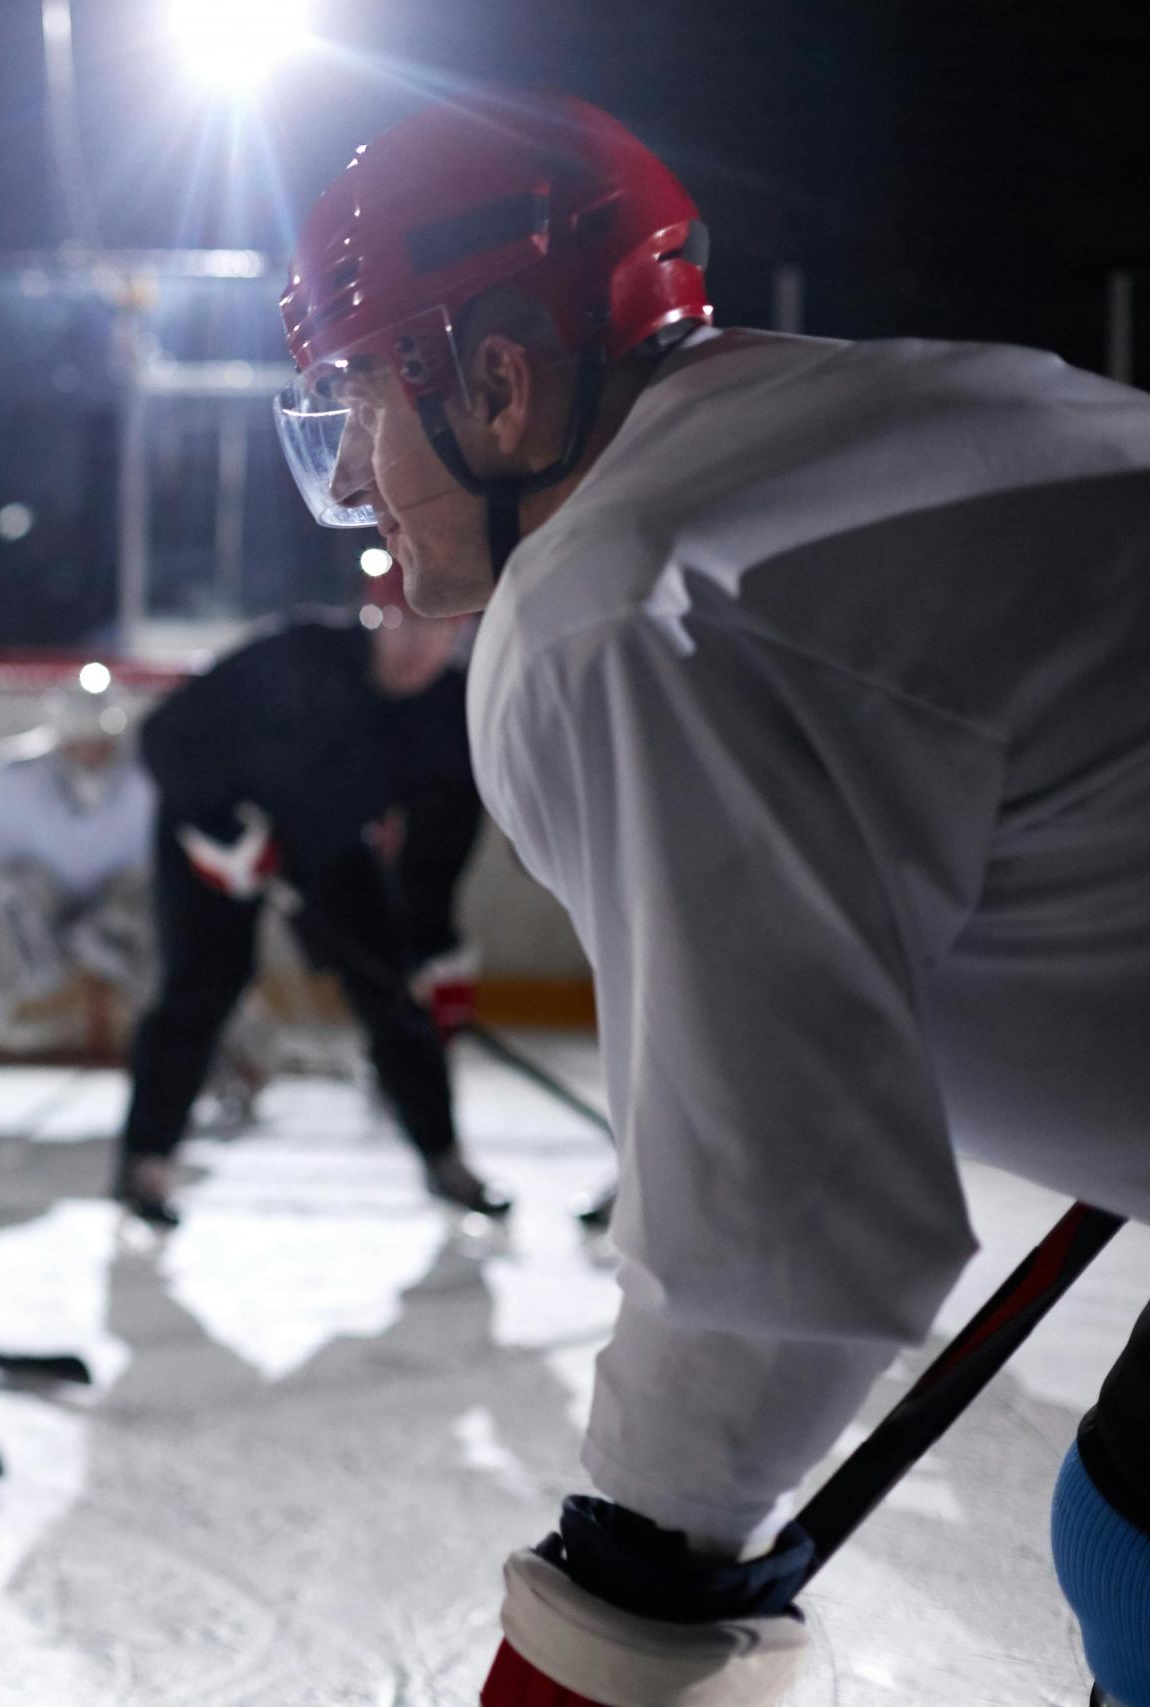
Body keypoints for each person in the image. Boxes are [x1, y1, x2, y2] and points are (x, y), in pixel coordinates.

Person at [275, 91, 1150, 1706]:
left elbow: (792, 1223)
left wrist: (626, 1600)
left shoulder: (614, 597)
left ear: (499, 378)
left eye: (356, 395)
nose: (348, 469)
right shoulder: (891, 410)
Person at [113, 566, 504, 1230]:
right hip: (218, 837)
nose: (415, 644)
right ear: (366, 617)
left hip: (328, 848)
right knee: (202, 987)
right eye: (396, 623)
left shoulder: (448, 715)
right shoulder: (293, 655)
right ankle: (144, 1160)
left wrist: (432, 945)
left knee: (390, 990)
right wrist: (222, 832)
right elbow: (169, 735)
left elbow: (437, 846)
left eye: (438, 628)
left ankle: (443, 1154)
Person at [0, 683, 265, 1099]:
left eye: (101, 743)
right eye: (80, 743)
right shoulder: (1, 774)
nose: (91, 754)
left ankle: (236, 1063)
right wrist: (20, 919)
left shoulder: (159, 774)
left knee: (178, 951)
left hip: (128, 907)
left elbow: (189, 855)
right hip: (30, 905)